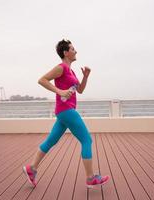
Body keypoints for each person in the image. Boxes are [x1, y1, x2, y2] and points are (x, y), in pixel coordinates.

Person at [23, 39, 109, 188]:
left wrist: (86, 76)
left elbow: (80, 90)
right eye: (73, 49)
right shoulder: (61, 68)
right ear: (66, 52)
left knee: (51, 141)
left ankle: (32, 169)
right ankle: (90, 178)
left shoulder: (72, 71)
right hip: (66, 110)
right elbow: (42, 80)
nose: (76, 51)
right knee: (87, 140)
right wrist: (59, 91)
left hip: (64, 112)